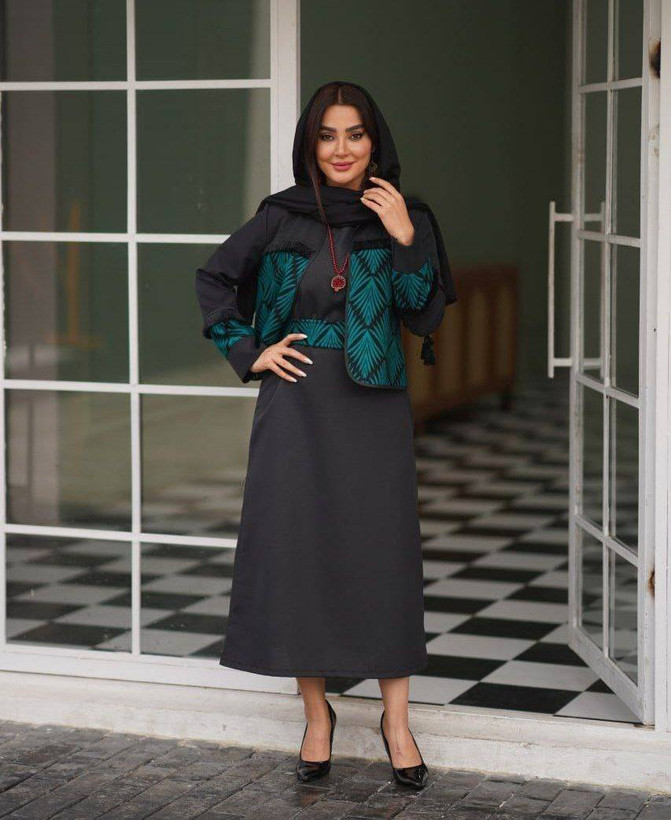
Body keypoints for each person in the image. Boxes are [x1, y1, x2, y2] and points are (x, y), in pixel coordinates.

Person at [195, 80, 456, 790]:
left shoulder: (406, 215)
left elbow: (424, 315)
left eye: (355, 134)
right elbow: (214, 279)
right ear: (310, 145)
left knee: (383, 553)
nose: (342, 149)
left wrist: (405, 239)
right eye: (327, 135)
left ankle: (395, 721)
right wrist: (250, 352)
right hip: (296, 406)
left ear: (375, 141)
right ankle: (316, 715)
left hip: (373, 407)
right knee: (297, 550)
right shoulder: (279, 217)